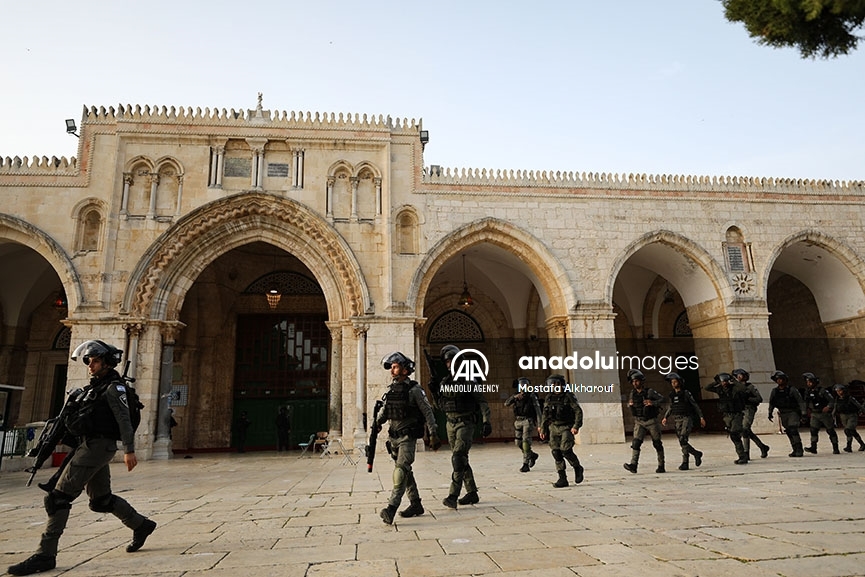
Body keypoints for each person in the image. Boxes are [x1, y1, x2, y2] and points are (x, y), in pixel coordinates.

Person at [8, 340, 156, 576]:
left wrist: (129, 450)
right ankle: (141, 525)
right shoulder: (93, 389)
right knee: (101, 500)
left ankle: (45, 555)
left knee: (58, 498)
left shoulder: (113, 388)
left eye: (95, 361)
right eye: (88, 361)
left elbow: (124, 421)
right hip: (88, 445)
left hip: (98, 447)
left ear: (107, 363)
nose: (90, 365)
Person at [376, 352, 439, 524]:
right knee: (406, 472)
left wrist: (433, 433)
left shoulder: (414, 390)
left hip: (407, 437)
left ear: (404, 370)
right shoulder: (392, 390)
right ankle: (416, 504)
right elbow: (385, 412)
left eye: (395, 367)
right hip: (393, 438)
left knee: (401, 471)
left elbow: (427, 411)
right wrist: (377, 423)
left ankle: (391, 508)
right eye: (392, 367)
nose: (392, 371)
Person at [434, 345, 492, 509]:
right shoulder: (445, 382)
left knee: (458, 458)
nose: (450, 364)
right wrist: (434, 392)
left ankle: (453, 495)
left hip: (465, 423)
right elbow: (439, 406)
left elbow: (482, 401)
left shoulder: (469, 380)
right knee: (461, 458)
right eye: (448, 362)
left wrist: (487, 420)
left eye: (453, 361)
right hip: (449, 423)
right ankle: (472, 492)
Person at [539, 374, 584, 487]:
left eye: (557, 384)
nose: (554, 386)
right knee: (556, 452)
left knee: (566, 450)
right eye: (552, 384)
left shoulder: (568, 396)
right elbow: (545, 414)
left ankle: (577, 467)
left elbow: (578, 411)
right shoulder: (549, 397)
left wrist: (576, 426)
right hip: (553, 427)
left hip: (566, 427)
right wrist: (543, 429)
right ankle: (562, 478)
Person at [623, 369, 666, 474]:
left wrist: (652, 403)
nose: (635, 383)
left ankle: (661, 465)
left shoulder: (649, 392)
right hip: (639, 421)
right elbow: (630, 405)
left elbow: (662, 399)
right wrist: (630, 405)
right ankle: (633, 465)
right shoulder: (632, 393)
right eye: (633, 381)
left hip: (651, 421)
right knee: (636, 443)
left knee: (657, 443)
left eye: (636, 381)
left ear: (642, 381)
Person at [661, 372, 705, 470]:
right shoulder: (672, 395)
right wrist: (665, 417)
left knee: (683, 439)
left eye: (675, 382)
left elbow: (695, 405)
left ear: (679, 382)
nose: (673, 384)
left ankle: (685, 462)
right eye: (672, 382)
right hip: (677, 419)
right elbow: (671, 407)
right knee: (682, 442)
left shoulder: (686, 393)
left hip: (686, 418)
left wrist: (701, 417)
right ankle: (696, 453)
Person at [705, 372, 749, 464]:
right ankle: (742, 455)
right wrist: (716, 381)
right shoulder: (720, 389)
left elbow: (743, 388)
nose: (724, 383)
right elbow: (707, 388)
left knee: (734, 434)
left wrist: (734, 380)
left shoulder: (734, 388)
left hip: (736, 414)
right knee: (733, 435)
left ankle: (742, 456)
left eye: (725, 381)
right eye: (722, 381)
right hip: (727, 415)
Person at [504, 377, 542, 472]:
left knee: (525, 442)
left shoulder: (532, 396)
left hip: (527, 421)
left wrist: (540, 425)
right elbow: (506, 404)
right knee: (518, 443)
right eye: (521, 385)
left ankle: (525, 464)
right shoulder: (516, 396)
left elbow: (538, 411)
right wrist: (514, 397)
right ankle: (532, 455)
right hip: (518, 421)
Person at [731, 368, 770, 459]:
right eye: (738, 376)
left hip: (749, 408)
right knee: (745, 430)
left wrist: (748, 399)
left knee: (745, 429)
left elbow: (759, 399)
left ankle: (746, 453)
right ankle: (762, 447)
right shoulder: (735, 388)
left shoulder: (750, 387)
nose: (739, 377)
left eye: (740, 375)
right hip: (740, 410)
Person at [768, 370, 807, 457]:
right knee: (789, 431)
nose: (779, 381)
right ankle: (794, 449)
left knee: (793, 429)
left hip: (792, 412)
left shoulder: (792, 390)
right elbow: (772, 402)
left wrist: (803, 413)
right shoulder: (775, 391)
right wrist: (770, 412)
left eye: (781, 379)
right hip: (783, 413)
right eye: (777, 379)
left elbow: (800, 401)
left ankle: (799, 449)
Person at [802, 372, 839, 454]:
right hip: (814, 414)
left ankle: (835, 447)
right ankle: (813, 447)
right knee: (813, 430)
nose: (809, 384)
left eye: (810, 382)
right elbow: (805, 403)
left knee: (830, 430)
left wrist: (829, 407)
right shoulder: (807, 392)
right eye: (807, 382)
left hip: (824, 414)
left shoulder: (822, 391)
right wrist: (805, 412)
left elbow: (832, 400)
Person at [833, 383, 865, 452]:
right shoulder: (837, 399)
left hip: (852, 416)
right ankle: (862, 444)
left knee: (848, 430)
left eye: (840, 391)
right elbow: (835, 408)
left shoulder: (850, 398)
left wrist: (862, 411)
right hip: (843, 416)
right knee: (852, 431)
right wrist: (833, 415)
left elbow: (858, 405)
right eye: (837, 391)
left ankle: (849, 446)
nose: (838, 392)